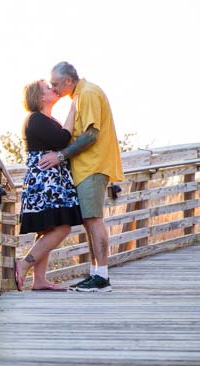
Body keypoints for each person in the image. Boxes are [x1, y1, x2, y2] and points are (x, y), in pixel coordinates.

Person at [39, 62, 123, 292]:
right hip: (85, 167)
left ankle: (102, 276)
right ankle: (95, 273)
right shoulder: (79, 96)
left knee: (94, 219)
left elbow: (91, 135)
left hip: (94, 166)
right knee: (88, 220)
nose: (54, 89)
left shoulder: (88, 94)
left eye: (56, 84)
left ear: (68, 80)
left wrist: (61, 156)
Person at [14, 79, 83, 292]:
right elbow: (63, 139)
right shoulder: (35, 119)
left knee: (49, 228)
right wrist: (73, 108)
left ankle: (40, 280)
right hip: (45, 182)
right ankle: (23, 264)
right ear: (40, 97)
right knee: (62, 228)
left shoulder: (47, 118)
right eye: (48, 88)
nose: (53, 89)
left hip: (52, 180)